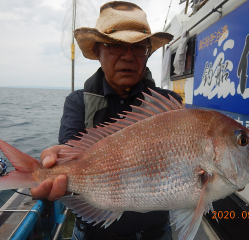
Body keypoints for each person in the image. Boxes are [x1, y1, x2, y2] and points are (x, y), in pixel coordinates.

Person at [31, 1, 182, 240]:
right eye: (115, 46)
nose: (129, 56)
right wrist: (56, 164)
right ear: (98, 52)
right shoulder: (79, 102)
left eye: (139, 47)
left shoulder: (169, 105)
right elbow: (72, 156)